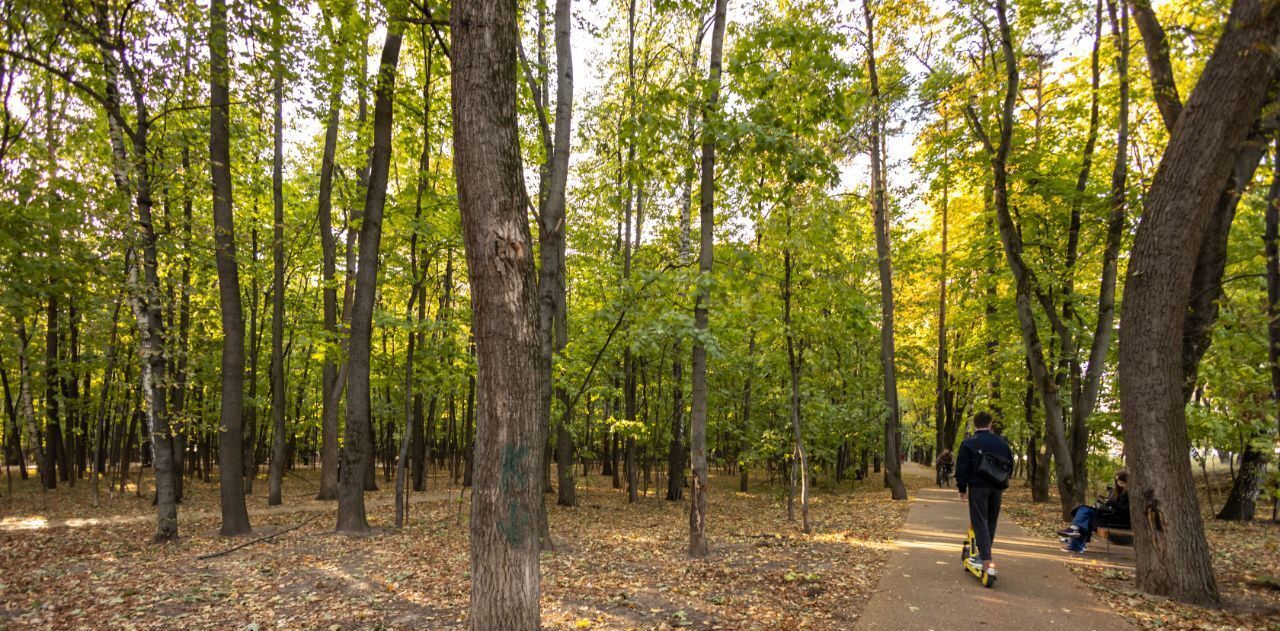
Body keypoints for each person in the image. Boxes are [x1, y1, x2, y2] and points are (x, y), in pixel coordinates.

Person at [955, 411, 1013, 577]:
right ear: (990, 423)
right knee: (991, 521)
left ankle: (985, 557)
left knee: (979, 520)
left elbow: (962, 467)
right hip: (997, 487)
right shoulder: (1001, 441)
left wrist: (961, 489)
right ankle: (984, 554)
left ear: (975, 424)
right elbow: (1010, 463)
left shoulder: (969, 443)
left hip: (978, 487)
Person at [1057, 470, 1130, 553]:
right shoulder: (1116, 492)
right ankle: (1075, 536)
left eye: (1122, 482)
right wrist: (1104, 501)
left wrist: (1112, 503)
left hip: (1120, 520)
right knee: (1084, 510)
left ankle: (1075, 543)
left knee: (1086, 517)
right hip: (1109, 515)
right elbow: (1111, 505)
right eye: (1117, 482)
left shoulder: (1131, 493)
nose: (1119, 484)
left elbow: (1126, 511)